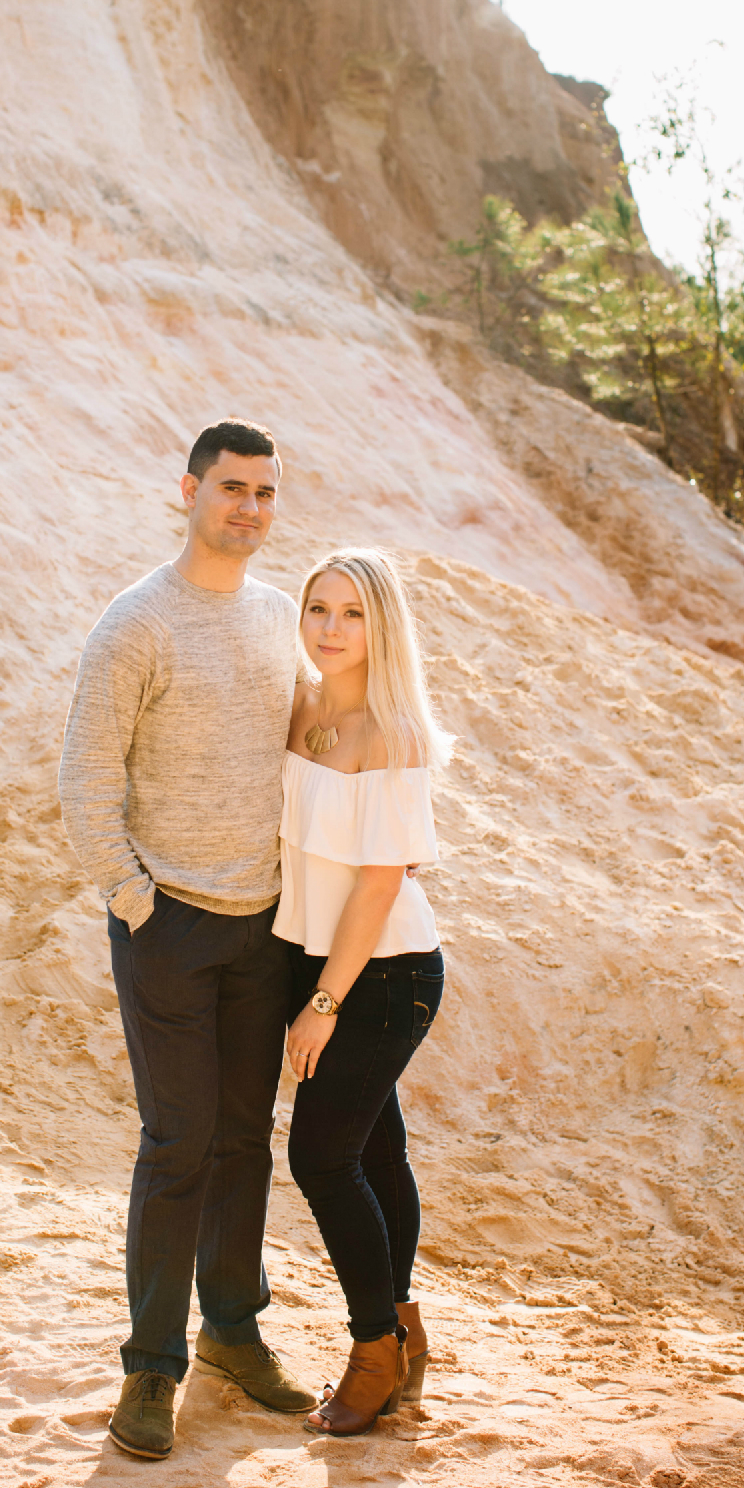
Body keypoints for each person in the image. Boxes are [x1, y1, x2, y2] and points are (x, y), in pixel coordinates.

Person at [56, 418, 317, 1460]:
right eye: (231, 489)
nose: (249, 509)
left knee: (243, 1141)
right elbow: (84, 780)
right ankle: (151, 1370)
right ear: (188, 491)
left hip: (265, 929)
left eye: (264, 493)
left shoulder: (276, 619)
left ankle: (233, 1333)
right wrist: (135, 901)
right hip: (168, 927)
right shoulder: (135, 624)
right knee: (177, 1146)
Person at [275, 548, 449, 1434]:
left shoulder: (393, 734)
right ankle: (407, 1331)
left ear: (381, 627)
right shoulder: (301, 705)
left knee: (321, 1158)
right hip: (323, 962)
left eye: (352, 614)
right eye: (319, 610)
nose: (332, 629)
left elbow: (382, 883)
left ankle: (373, 1353)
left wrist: (321, 1004)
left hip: (384, 975)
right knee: (377, 1155)